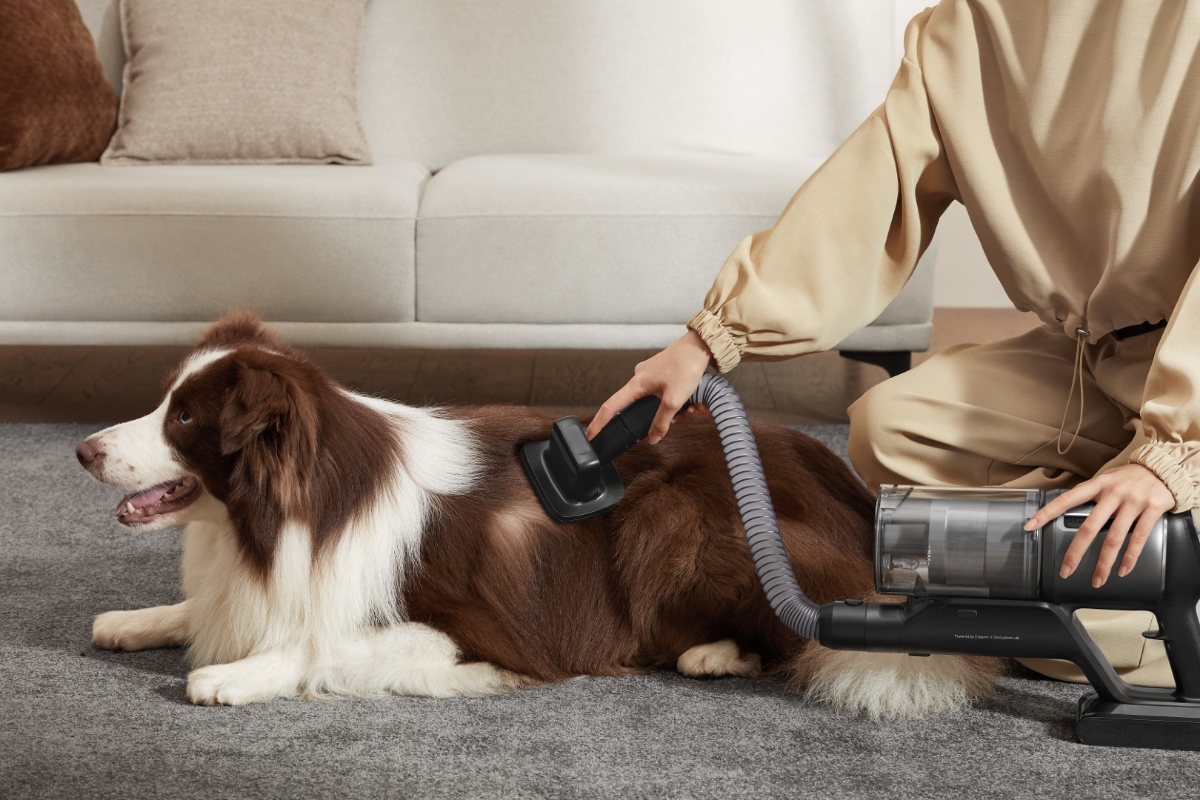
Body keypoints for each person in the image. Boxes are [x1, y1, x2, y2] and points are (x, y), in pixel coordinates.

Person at [588, 0, 1200, 688]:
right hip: (1099, 363)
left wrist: (1174, 455)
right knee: (892, 427)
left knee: (1066, 637)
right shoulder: (968, 28)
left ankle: (1136, 575)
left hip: (1190, 359)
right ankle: (1102, 551)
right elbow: (866, 193)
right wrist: (708, 339)